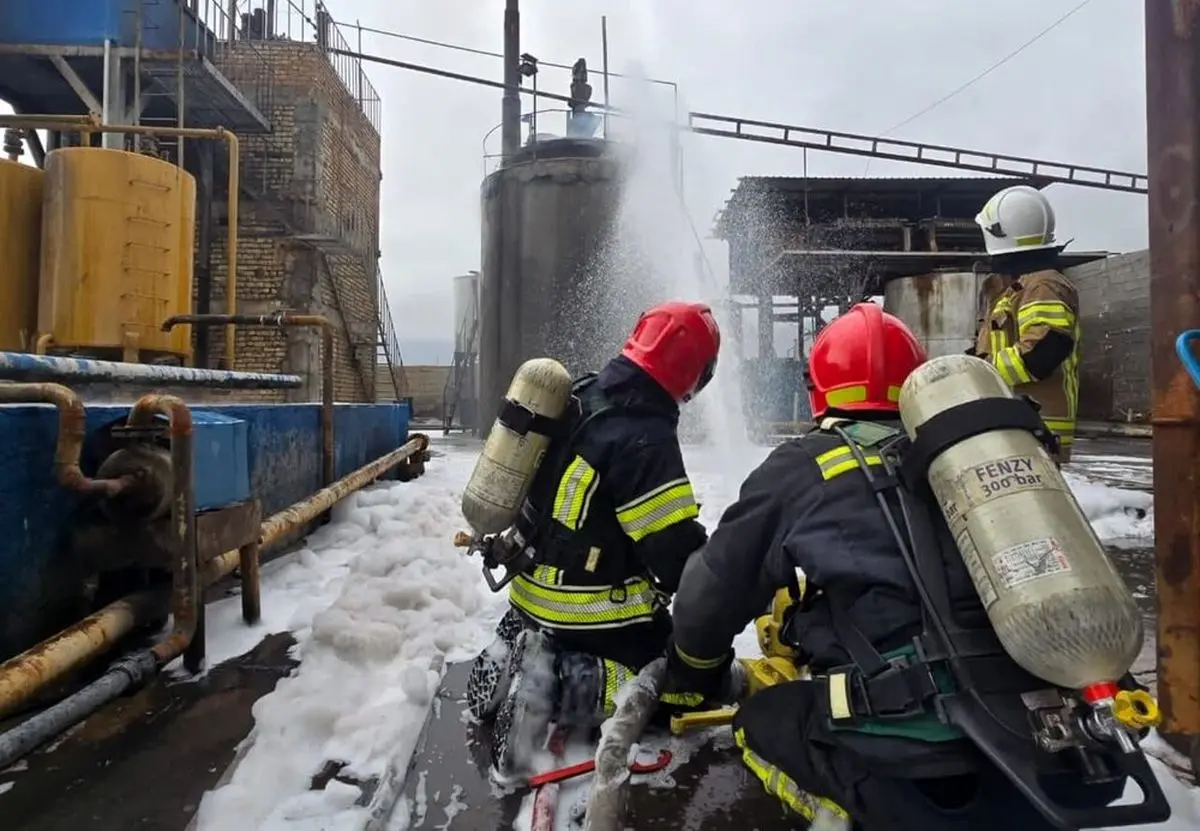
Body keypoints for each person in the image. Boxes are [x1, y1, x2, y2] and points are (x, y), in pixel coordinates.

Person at [666, 302, 1129, 830]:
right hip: (1074, 760)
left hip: (913, 777)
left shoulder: (802, 466)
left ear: (819, 388)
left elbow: (712, 592)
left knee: (762, 722)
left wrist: (694, 675)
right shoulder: (974, 458)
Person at [466, 300, 721, 780]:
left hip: (527, 590)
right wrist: (718, 572)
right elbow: (675, 559)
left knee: (559, 620)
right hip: (585, 610)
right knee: (685, 681)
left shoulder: (583, 393)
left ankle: (514, 648)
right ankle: (552, 687)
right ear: (694, 374)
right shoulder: (645, 439)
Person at [971, 184, 1081, 463]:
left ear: (1000, 233)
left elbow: (1045, 351)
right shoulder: (1017, 289)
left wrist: (981, 371)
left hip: (1038, 428)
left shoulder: (1043, 285)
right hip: (1020, 423)